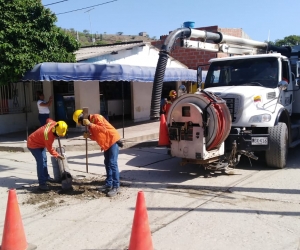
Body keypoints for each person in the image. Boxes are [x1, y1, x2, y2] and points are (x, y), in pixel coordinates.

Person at [73, 109, 123, 197]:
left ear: (82, 118)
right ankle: (109, 184)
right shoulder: (89, 125)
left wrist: (90, 124)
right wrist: (89, 136)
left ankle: (116, 186)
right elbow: (96, 136)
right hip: (106, 144)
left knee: (112, 163)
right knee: (107, 163)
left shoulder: (97, 117)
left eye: (81, 122)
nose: (82, 124)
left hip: (112, 140)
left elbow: (103, 129)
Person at [27, 120, 67, 191]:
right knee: (41, 162)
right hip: (33, 144)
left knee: (44, 159)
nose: (58, 137)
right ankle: (42, 183)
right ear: (55, 131)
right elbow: (50, 149)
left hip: (40, 143)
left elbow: (48, 119)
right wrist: (57, 155)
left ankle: (46, 177)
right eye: (58, 135)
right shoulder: (48, 136)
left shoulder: (55, 124)